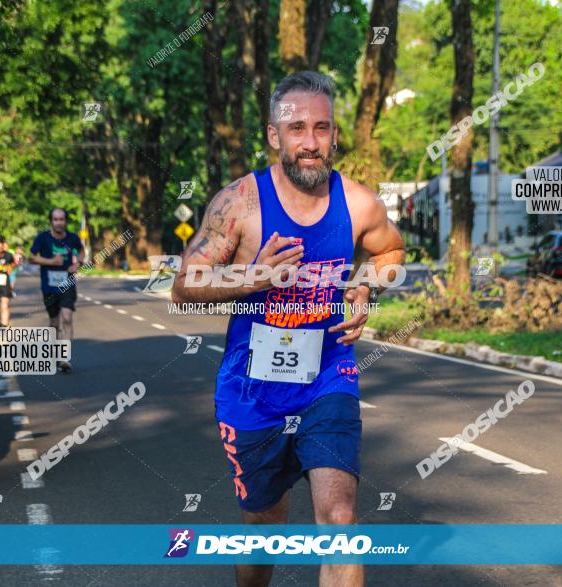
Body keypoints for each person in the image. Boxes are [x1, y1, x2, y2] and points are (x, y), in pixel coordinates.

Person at [171, 71, 405, 587]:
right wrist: (258, 274)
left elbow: (391, 251)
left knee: (339, 520)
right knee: (264, 525)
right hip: (252, 386)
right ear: (274, 135)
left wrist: (365, 287)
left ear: (335, 134)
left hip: (328, 374)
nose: (310, 142)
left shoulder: (360, 203)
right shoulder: (239, 203)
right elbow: (185, 285)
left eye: (321, 129)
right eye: (296, 128)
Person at [29, 208, 83, 374]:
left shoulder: (73, 238)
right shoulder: (43, 238)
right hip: (49, 286)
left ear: (65, 221)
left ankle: (65, 357)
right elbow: (31, 257)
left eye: (61, 219)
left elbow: (81, 251)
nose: (59, 222)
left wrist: (78, 264)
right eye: (55, 219)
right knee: (54, 322)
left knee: (67, 317)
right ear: (51, 221)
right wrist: (50, 261)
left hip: (67, 283)